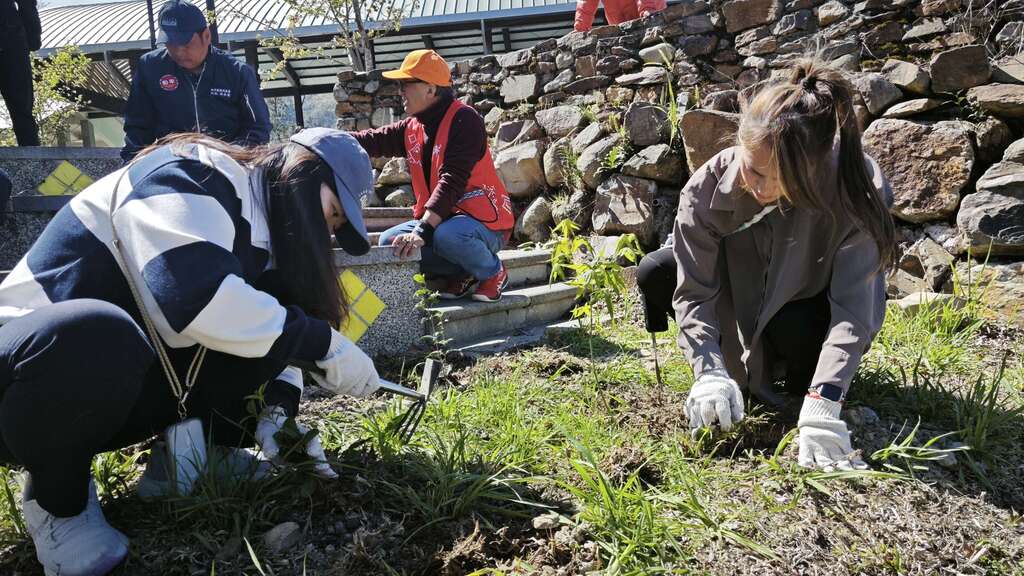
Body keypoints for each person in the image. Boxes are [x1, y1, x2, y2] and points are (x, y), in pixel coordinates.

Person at [0, 127, 381, 576]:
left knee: (271, 308)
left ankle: (196, 457)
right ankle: (57, 503)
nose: (324, 231)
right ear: (299, 171)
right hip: (23, 383)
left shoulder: (257, 234)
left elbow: (262, 325)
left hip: (111, 390)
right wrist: (324, 344)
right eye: (332, 212)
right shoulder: (192, 173)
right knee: (97, 334)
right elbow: (193, 298)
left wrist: (276, 413)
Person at [648, 58, 894, 471]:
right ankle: (733, 375)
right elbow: (694, 292)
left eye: (780, 178)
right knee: (656, 270)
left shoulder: (854, 189)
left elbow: (854, 310)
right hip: (738, 299)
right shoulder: (706, 191)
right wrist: (709, 369)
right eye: (754, 170)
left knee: (794, 324)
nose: (761, 188)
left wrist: (825, 399)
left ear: (812, 167)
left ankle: (802, 389)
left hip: (804, 311)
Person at [351, 49, 515, 303]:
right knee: (389, 241)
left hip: (483, 226)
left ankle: (493, 271)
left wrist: (422, 230)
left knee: (446, 235)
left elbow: (452, 180)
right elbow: (371, 141)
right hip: (445, 223)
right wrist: (326, 141)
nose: (400, 91)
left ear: (430, 89)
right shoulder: (412, 126)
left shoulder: (465, 119)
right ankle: (465, 271)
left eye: (406, 84)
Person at [120, 0, 271, 162]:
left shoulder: (237, 72)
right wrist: (132, 163)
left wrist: (232, 156)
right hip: (172, 163)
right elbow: (137, 126)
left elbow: (258, 127)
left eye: (185, 43)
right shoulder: (149, 68)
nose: (178, 51)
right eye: (170, 43)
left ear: (206, 36)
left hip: (230, 162)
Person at [1, 0, 42, 146]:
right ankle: (31, 158)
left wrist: (32, 36)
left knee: (22, 110)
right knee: (22, 110)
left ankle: (31, 157)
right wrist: (32, 36)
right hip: (11, 38)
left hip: (10, 37)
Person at [573, 0, 666, 32]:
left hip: (651, 15)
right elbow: (586, 4)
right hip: (619, 22)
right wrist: (580, 27)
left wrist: (647, 9)